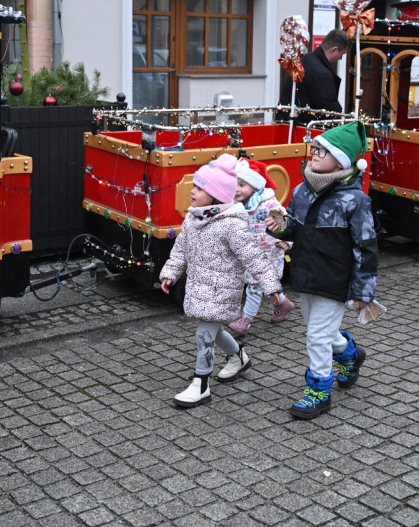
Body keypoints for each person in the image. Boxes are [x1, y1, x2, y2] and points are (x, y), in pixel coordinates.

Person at [266, 122, 377, 419]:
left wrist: (364, 291)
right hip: (305, 274)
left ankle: (318, 390)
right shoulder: (303, 190)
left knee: (316, 336)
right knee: (322, 333)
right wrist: (281, 228)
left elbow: (366, 247)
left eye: (322, 151)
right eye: (313, 148)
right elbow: (295, 230)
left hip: (335, 279)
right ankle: (350, 354)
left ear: (340, 160)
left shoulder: (356, 200)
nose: (314, 154)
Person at [160, 153, 283, 409]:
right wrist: (170, 273)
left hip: (222, 290)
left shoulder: (232, 225)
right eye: (194, 186)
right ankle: (238, 356)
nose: (192, 191)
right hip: (199, 286)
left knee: (204, 334)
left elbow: (255, 257)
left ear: (216, 196)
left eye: (199, 188)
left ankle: (201, 384)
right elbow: (180, 249)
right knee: (215, 331)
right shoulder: (193, 218)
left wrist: (271, 286)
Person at [227, 158, 294, 337]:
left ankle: (245, 321)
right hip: (251, 252)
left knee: (255, 286)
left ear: (256, 187)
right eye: (235, 184)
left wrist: (285, 240)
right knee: (265, 286)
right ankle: (283, 304)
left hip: (269, 254)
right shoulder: (238, 205)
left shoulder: (268, 205)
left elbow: (285, 223)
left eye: (242, 184)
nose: (237, 189)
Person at [279, 28, 349, 125]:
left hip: (289, 121)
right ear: (334, 50)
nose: (341, 58)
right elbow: (331, 109)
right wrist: (345, 122)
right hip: (303, 127)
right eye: (342, 54)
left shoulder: (307, 58)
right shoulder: (322, 73)